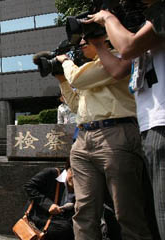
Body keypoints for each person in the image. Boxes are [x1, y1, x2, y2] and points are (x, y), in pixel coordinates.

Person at [54, 36, 152, 239]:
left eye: (84, 40)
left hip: (115, 134)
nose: (80, 45)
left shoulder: (118, 58)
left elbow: (77, 78)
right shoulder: (88, 70)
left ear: (103, 40)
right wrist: (61, 79)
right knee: (84, 212)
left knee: (126, 210)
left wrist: (64, 61)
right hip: (83, 138)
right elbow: (74, 105)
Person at [87, 2, 165, 237]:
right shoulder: (144, 28)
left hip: (160, 123)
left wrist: (108, 18)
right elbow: (120, 68)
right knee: (157, 214)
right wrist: (100, 42)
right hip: (151, 126)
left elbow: (128, 47)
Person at [23, 165, 75, 240]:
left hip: (61, 219)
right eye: (73, 175)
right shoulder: (51, 173)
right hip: (40, 215)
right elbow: (29, 186)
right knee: (64, 229)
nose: (75, 180)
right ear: (68, 169)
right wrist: (48, 204)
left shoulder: (84, 186)